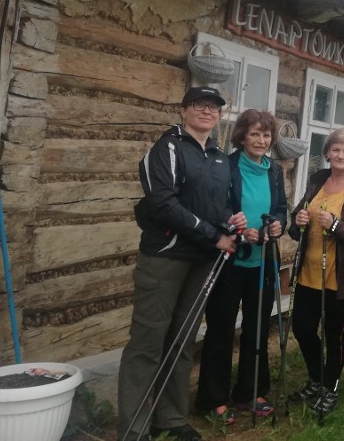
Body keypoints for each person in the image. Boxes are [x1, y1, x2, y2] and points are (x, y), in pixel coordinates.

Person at [119, 87, 246, 441]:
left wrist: (229, 222)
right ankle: (133, 428)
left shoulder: (220, 158)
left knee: (183, 339)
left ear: (220, 116)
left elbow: (214, 204)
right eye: (200, 105)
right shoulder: (167, 149)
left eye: (214, 107)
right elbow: (163, 204)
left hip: (202, 259)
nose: (207, 111)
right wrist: (213, 235)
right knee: (148, 341)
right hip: (165, 257)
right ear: (185, 110)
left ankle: (170, 419)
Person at [195, 109, 287, 424]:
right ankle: (213, 398)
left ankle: (251, 391)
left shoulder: (274, 170)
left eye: (266, 135)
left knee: (257, 327)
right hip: (231, 258)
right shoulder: (225, 165)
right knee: (221, 328)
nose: (261, 140)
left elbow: (281, 210)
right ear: (242, 136)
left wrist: (277, 225)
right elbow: (213, 207)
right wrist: (235, 227)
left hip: (263, 261)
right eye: (255, 134)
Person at [287, 127, 344, 416]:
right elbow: (295, 227)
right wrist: (298, 219)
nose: (340, 155)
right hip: (308, 273)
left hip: (342, 276)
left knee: (334, 334)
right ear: (327, 152)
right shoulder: (317, 180)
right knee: (302, 328)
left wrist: (336, 225)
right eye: (336, 149)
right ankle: (317, 378)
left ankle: (331, 386)